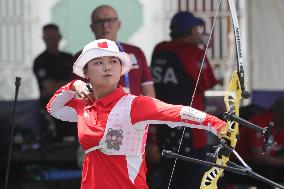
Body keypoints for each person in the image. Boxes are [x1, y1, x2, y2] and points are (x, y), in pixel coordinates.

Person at [46, 39, 227, 189]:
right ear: (86, 72)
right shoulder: (83, 106)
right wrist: (73, 86)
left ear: (121, 70)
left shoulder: (135, 104)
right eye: (98, 62)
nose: (107, 67)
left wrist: (218, 125)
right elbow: (53, 108)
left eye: (113, 61)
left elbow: (178, 112)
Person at [74, 5, 160, 184]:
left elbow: (150, 96)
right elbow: (77, 99)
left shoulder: (135, 53)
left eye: (110, 20)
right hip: (99, 134)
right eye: (100, 21)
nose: (105, 25)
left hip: (133, 133)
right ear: (92, 27)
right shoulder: (82, 57)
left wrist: (152, 136)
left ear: (119, 24)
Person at [150, 11, 219, 189]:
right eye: (196, 28)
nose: (199, 32)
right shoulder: (190, 52)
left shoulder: (160, 48)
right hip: (190, 124)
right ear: (189, 31)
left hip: (164, 120)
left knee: (169, 173)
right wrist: (202, 51)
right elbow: (208, 82)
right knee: (191, 177)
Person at [33, 23, 77, 143]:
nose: (52, 42)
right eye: (49, 39)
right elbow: (50, 88)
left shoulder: (69, 58)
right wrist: (71, 84)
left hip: (72, 107)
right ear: (44, 39)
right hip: (51, 111)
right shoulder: (40, 61)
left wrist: (60, 84)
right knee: (56, 145)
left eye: (54, 38)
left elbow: (80, 83)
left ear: (60, 37)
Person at [231, 96, 284, 189]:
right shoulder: (261, 122)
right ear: (280, 112)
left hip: (267, 163)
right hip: (239, 163)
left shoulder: (280, 125)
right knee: (266, 173)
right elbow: (259, 158)